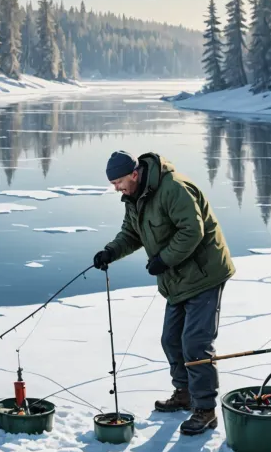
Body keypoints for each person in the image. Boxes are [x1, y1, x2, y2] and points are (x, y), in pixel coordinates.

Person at [93, 151, 235, 435]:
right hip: (176, 279)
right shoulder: (135, 197)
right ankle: (184, 393)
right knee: (171, 339)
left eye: (118, 182)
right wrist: (110, 252)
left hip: (205, 274)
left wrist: (164, 259)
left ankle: (205, 410)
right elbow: (131, 233)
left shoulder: (174, 188)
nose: (116, 188)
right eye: (113, 184)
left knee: (195, 343)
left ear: (134, 174)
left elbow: (192, 231)